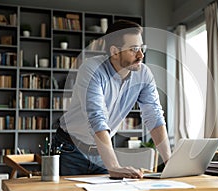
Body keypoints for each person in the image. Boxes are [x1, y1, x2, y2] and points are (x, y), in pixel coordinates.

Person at [54, 20, 171, 179]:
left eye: (142, 48)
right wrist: (114, 166)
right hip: (71, 148)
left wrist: (169, 162)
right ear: (115, 52)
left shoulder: (144, 75)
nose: (141, 55)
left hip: (101, 150)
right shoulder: (91, 69)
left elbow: (154, 116)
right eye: (134, 49)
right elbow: (96, 117)